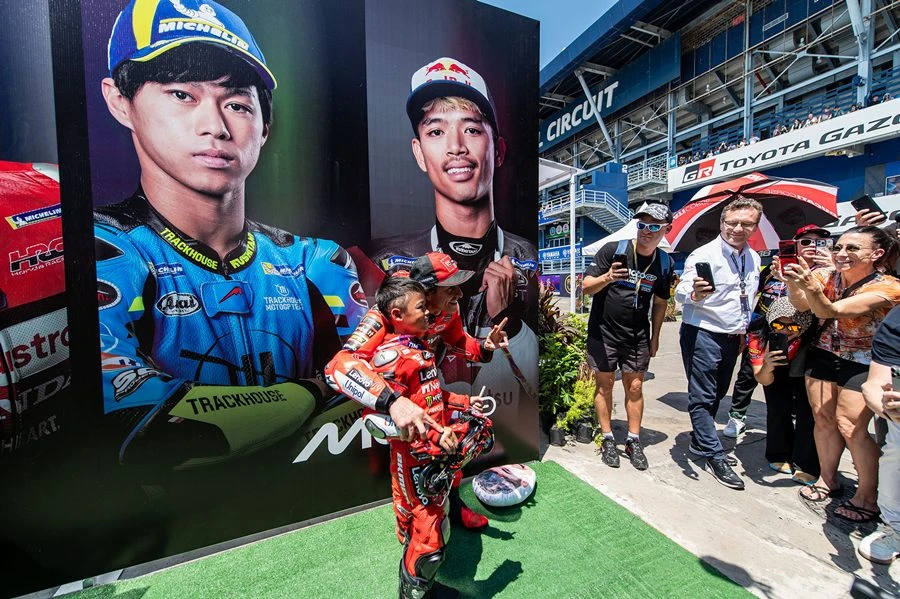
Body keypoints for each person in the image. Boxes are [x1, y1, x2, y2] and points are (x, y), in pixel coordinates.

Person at [93, 0, 366, 468]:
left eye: (237, 104)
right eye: (182, 95)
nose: (215, 127)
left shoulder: (315, 261)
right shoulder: (100, 249)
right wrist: (316, 392)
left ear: (265, 127)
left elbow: (396, 378)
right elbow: (155, 431)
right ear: (120, 101)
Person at [355, 56, 538, 424]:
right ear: (419, 153)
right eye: (436, 131)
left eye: (471, 129)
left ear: (498, 150)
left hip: (495, 433)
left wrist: (508, 323)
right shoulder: (381, 261)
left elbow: (528, 397)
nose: (456, 147)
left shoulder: (528, 257)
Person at [327, 252, 508, 532]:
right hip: (395, 403)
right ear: (426, 291)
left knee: (448, 453)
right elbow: (338, 366)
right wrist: (393, 402)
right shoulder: (390, 309)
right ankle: (409, 530)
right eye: (451, 288)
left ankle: (454, 507)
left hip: (429, 390)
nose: (459, 294)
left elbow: (459, 341)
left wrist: (485, 346)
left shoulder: (448, 308)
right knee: (407, 471)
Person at [363, 276, 491, 598]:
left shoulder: (419, 347)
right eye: (421, 307)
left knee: (431, 526)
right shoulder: (390, 357)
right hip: (414, 461)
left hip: (435, 456)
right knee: (428, 542)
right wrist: (429, 431)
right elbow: (374, 419)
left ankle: (420, 587)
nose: (428, 314)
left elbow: (431, 397)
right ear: (397, 315)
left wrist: (464, 403)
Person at [781, 226, 900, 522]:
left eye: (852, 248)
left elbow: (831, 311)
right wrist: (794, 282)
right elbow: (801, 305)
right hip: (822, 353)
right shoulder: (825, 275)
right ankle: (828, 479)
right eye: (838, 247)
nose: (842, 254)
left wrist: (810, 288)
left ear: (877, 254)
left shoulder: (888, 286)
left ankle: (868, 497)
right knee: (823, 419)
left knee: (850, 427)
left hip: (865, 361)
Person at [675, 197, 764, 490]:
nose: (738, 229)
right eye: (732, 222)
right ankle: (715, 456)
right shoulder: (704, 255)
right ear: (722, 222)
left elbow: (746, 298)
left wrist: (742, 333)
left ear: (755, 226)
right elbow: (682, 291)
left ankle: (700, 441)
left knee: (718, 393)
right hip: (703, 332)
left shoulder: (754, 258)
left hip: (733, 336)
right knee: (702, 395)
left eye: (746, 224)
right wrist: (695, 294)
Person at [581, 203, 674, 470]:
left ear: (666, 229)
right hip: (603, 333)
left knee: (635, 387)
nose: (646, 231)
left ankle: (633, 439)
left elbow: (660, 303)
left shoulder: (664, 262)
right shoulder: (613, 250)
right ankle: (607, 437)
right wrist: (608, 277)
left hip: (637, 335)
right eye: (642, 225)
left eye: (654, 226)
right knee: (605, 385)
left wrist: (655, 337)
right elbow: (586, 287)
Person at [724, 224, 832, 440]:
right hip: (763, 329)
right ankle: (737, 414)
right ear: (795, 245)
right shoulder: (775, 269)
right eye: (806, 242)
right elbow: (752, 294)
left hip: (799, 335)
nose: (812, 247)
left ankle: (792, 419)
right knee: (748, 373)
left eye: (819, 242)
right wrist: (745, 327)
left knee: (791, 379)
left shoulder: (826, 274)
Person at [748, 297, 820, 484]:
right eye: (778, 325)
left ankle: (806, 463)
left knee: (807, 413)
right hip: (773, 369)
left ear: (803, 325)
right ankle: (779, 452)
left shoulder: (814, 334)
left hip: (806, 365)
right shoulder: (758, 336)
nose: (786, 331)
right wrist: (767, 364)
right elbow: (762, 379)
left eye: (793, 326)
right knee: (777, 408)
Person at [859, 304, 900, 564]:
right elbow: (874, 384)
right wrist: (887, 409)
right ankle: (894, 529)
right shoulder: (896, 320)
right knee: (894, 455)